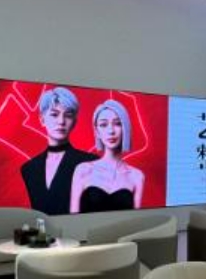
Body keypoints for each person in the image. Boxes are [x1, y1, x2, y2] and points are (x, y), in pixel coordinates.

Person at [20, 87, 97, 215]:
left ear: (74, 122)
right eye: (54, 114)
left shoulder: (91, 163)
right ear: (42, 119)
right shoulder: (29, 168)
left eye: (68, 115)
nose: (61, 121)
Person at [70, 99, 145, 212]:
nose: (111, 131)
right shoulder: (83, 170)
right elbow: (73, 216)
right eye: (103, 125)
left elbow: (136, 219)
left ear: (125, 128)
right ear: (97, 132)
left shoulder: (136, 176)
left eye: (117, 124)